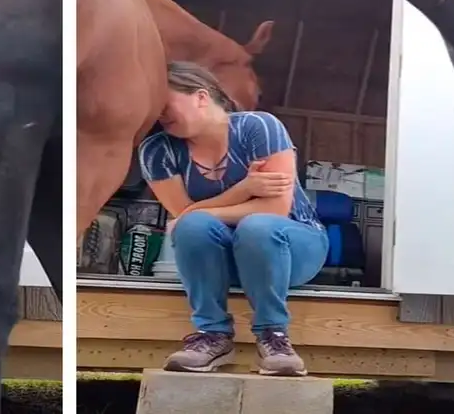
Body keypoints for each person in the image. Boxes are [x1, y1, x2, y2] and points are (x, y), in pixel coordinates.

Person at [138, 61, 328, 376]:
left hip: (293, 247)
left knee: (257, 226)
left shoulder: (259, 127)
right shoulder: (157, 150)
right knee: (195, 227)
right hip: (225, 259)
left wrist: (204, 210)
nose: (160, 114)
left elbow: (274, 210)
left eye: (165, 103)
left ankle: (273, 336)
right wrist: (244, 189)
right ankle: (212, 335)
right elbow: (186, 219)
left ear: (201, 96)